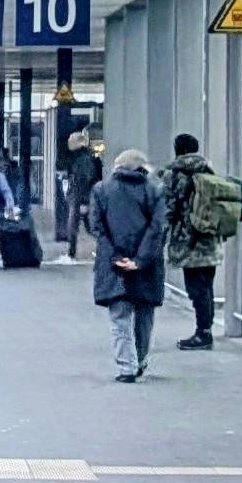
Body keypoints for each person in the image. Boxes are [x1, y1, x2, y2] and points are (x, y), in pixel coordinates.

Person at [160, 131, 242, 349]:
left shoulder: (175, 173)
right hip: (210, 238)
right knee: (205, 286)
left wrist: (159, 238)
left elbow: (168, 208)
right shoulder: (208, 170)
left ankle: (203, 334)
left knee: (196, 288)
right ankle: (204, 330)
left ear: (177, 149)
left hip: (188, 241)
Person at [92, 147, 166, 377]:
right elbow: (158, 229)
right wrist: (140, 260)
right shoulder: (154, 190)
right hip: (147, 266)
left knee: (120, 317)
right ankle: (141, 360)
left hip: (114, 266)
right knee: (144, 316)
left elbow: (97, 228)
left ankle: (126, 366)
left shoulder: (101, 189)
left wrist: (116, 257)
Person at [63, 132, 101, 257]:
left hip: (80, 197)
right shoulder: (82, 157)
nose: (69, 142)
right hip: (80, 196)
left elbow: (85, 179)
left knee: (75, 225)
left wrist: (84, 201)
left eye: (71, 140)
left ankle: (71, 253)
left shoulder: (83, 159)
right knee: (89, 226)